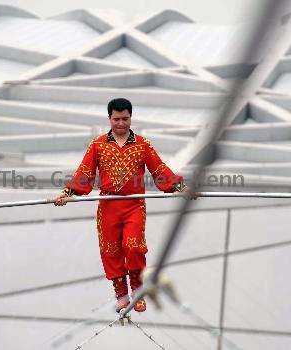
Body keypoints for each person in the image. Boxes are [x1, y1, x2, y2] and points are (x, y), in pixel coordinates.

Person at [54, 98, 195, 313]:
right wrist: (67, 193)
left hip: (134, 204)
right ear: (109, 118)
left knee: (133, 246)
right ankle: (121, 293)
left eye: (125, 119)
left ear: (131, 118)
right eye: (116, 119)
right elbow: (85, 173)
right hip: (108, 205)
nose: (121, 123)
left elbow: (159, 169)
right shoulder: (98, 144)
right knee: (111, 250)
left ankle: (138, 290)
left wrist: (180, 187)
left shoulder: (142, 144)